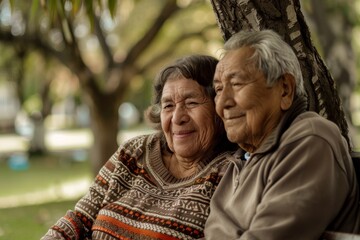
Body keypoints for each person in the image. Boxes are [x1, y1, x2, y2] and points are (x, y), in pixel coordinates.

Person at [41, 55, 237, 240]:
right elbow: (79, 220)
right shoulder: (134, 153)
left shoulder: (230, 175)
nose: (177, 117)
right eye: (168, 106)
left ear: (219, 107)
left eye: (191, 103)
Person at [204, 30, 360, 240]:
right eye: (219, 89)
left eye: (238, 84)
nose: (222, 104)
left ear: (285, 89)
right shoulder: (242, 157)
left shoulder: (310, 141)